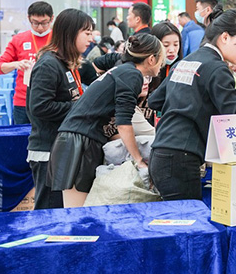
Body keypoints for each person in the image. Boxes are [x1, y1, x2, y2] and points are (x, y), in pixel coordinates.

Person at [148, 10, 236, 201]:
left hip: (160, 154)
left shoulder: (186, 61)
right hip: (181, 159)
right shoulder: (216, 67)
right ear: (225, 37)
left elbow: (155, 100)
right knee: (189, 218)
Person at [48, 34, 165, 208]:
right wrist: (139, 160)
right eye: (161, 59)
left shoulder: (122, 70)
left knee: (81, 212)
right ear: (151, 59)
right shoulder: (132, 74)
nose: (162, 64)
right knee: (78, 213)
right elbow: (124, 123)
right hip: (78, 143)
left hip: (77, 140)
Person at [26, 9, 94, 210]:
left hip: (61, 148)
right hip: (48, 150)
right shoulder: (49, 65)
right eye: (87, 33)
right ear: (70, 33)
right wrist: (79, 106)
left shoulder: (66, 63)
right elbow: (39, 107)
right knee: (49, 210)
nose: (91, 39)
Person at [0, 1, 54, 124]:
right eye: (35, 23)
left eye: (44, 23)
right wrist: (16, 64)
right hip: (23, 102)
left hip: (50, 101)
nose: (40, 28)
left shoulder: (58, 39)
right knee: (22, 135)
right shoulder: (19, 39)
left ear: (52, 19)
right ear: (29, 19)